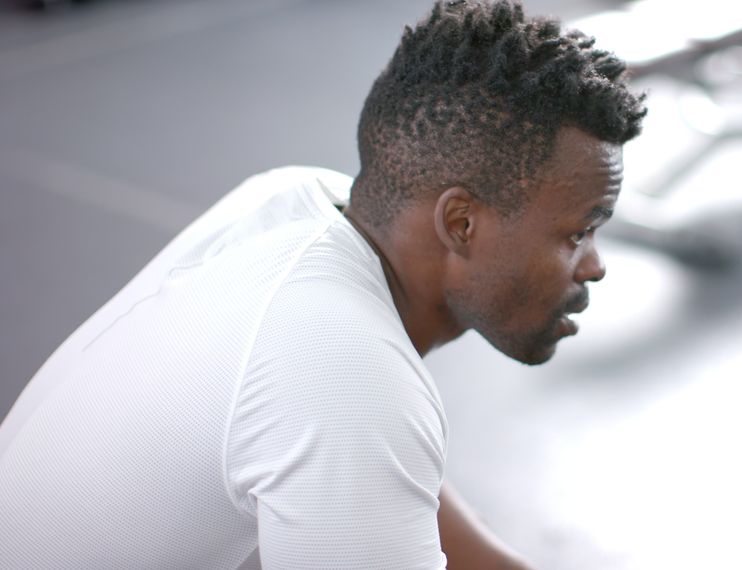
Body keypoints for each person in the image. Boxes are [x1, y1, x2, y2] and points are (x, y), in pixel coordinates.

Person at [0, 1, 645, 568]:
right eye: (578, 232)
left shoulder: (297, 200)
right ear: (460, 223)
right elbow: (357, 416)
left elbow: (384, 479)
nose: (594, 265)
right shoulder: (343, 373)